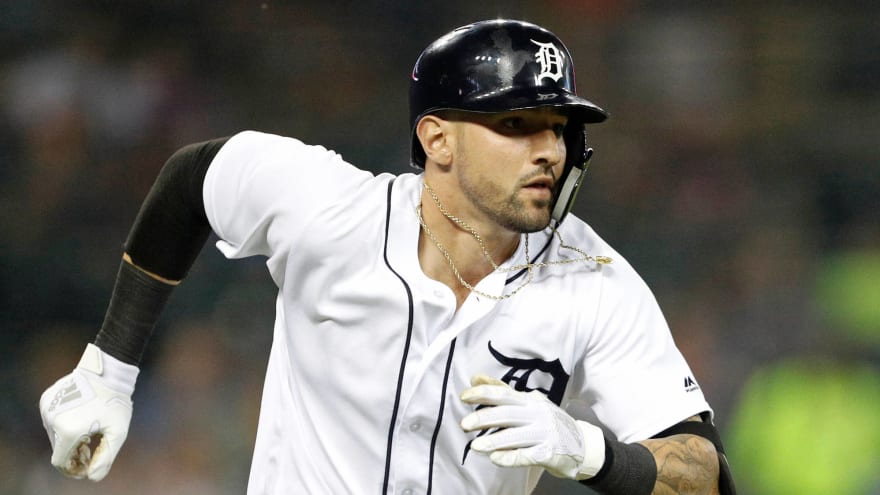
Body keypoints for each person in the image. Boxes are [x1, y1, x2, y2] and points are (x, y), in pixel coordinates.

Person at [39, 19, 735, 495]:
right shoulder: (333, 210)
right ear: (437, 139)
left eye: (558, 127)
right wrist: (109, 369)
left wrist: (591, 453)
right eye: (516, 124)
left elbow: (703, 474)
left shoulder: (595, 284)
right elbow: (195, 177)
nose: (548, 150)